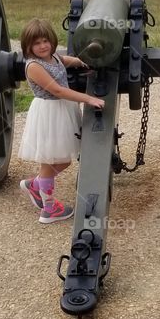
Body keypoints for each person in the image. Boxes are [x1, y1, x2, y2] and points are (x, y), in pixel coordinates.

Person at [17, 18, 104, 224]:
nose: (42, 46)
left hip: (62, 111)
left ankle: (35, 185)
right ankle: (49, 209)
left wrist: (79, 61)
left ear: (52, 41)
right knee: (51, 160)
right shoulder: (33, 66)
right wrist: (88, 98)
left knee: (63, 159)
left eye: (45, 41)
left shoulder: (52, 56)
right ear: (28, 47)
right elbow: (57, 90)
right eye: (36, 43)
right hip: (49, 114)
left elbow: (63, 61)